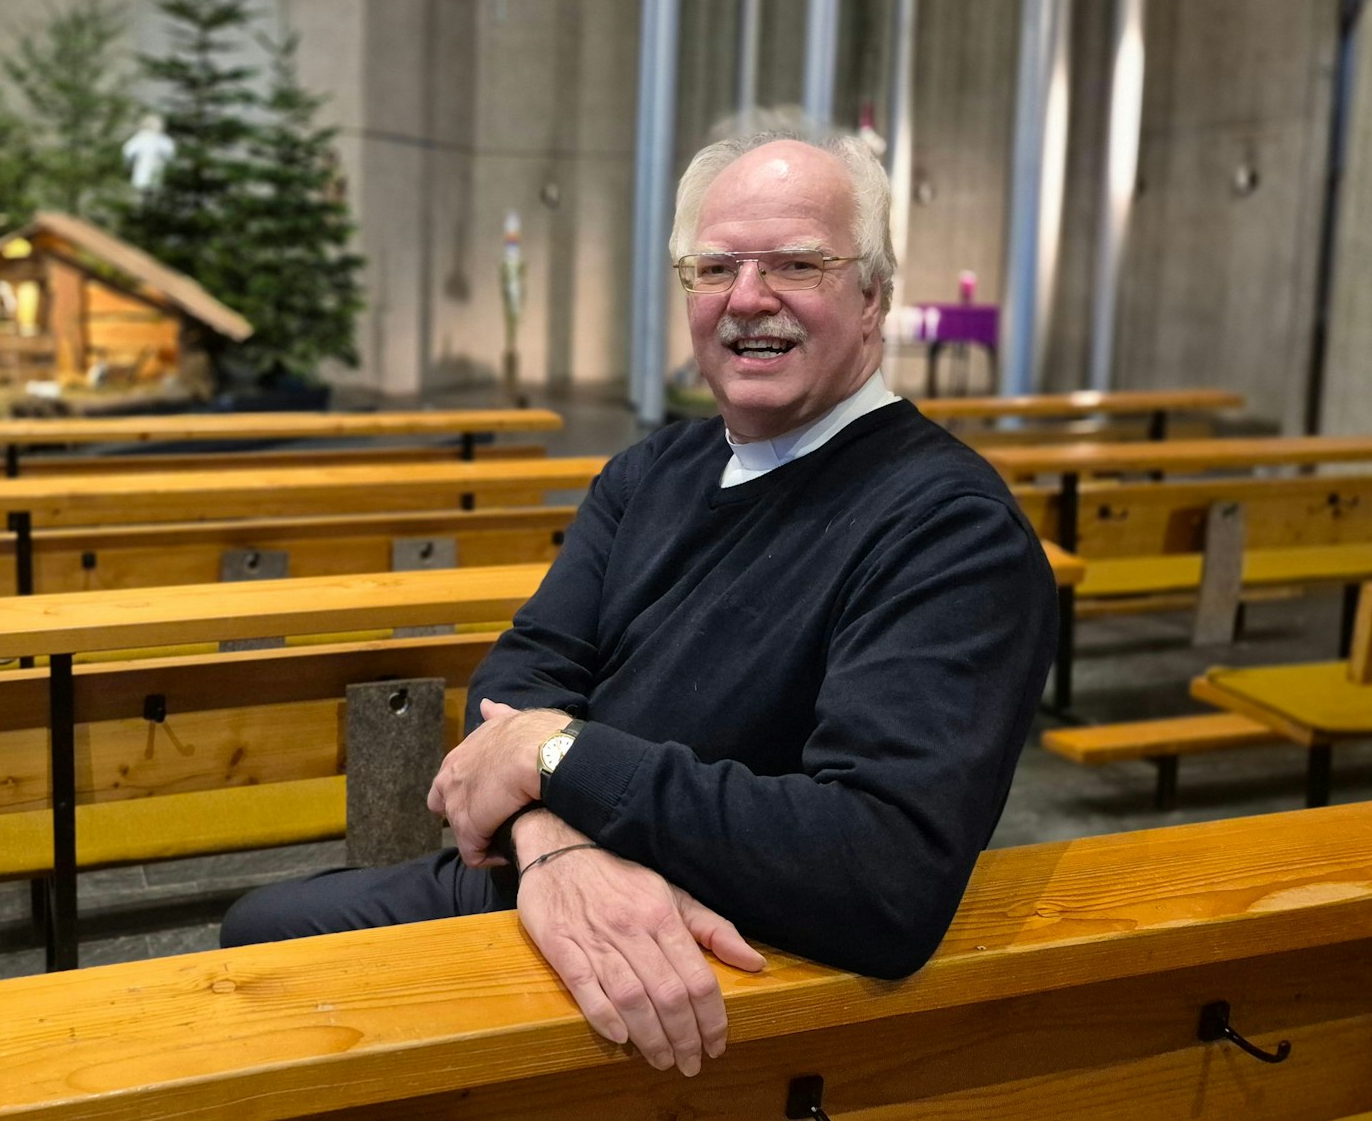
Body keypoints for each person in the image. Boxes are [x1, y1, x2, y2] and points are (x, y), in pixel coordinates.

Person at [220, 131, 1059, 1076]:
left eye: (796, 263)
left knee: (277, 978)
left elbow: (879, 873)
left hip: (729, 965)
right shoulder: (652, 470)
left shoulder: (951, 529)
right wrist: (552, 841)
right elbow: (522, 673)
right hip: (555, 883)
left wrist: (550, 757)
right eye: (715, 267)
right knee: (260, 937)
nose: (748, 297)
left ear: (873, 295)